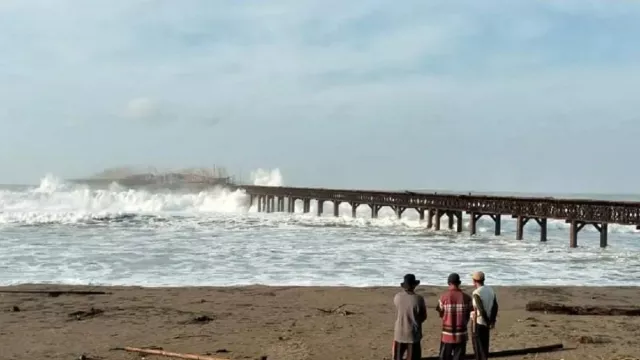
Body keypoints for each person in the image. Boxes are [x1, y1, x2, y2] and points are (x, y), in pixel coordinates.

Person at [436, 273, 472, 360]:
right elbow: (469, 314)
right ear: (459, 283)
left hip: (447, 333)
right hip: (461, 333)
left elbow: (441, 314)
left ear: (449, 283)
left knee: (444, 357)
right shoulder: (467, 297)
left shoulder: (443, 297)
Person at [392, 274, 427, 360]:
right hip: (412, 333)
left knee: (398, 356)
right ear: (414, 285)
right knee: (413, 356)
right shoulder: (418, 299)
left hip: (399, 331)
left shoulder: (397, 297)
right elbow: (423, 316)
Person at [470, 271, 499, 359]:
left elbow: (481, 309)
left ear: (474, 281)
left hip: (478, 322)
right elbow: (495, 306)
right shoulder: (490, 290)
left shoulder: (476, 293)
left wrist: (487, 321)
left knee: (478, 348)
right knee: (485, 346)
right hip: (488, 321)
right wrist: (492, 321)